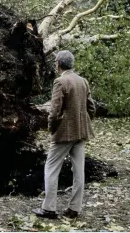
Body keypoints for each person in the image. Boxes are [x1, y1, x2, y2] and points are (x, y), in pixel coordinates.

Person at [32, 50, 96, 219]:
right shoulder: (83, 81)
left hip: (64, 133)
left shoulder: (60, 82)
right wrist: (83, 122)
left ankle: (49, 208)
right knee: (78, 171)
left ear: (58, 64)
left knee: (51, 168)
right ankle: (74, 209)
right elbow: (92, 108)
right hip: (81, 132)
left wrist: (52, 129)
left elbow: (54, 111)